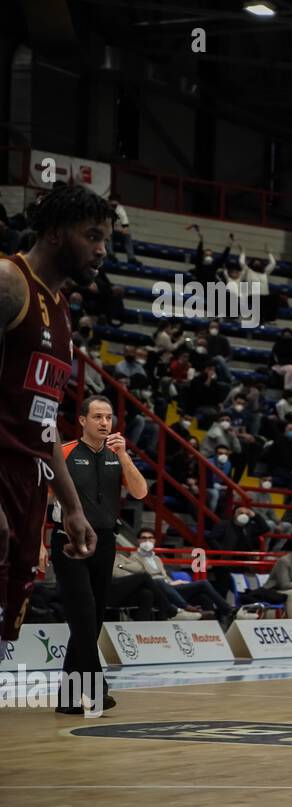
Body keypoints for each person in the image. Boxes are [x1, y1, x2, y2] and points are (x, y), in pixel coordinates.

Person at [0, 186, 107, 726]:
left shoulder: (62, 312)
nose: (101, 249)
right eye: (92, 236)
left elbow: (44, 423)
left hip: (30, 491)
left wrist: (72, 506)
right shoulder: (7, 282)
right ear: (54, 232)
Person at [52, 396, 149, 713]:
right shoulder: (64, 452)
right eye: (97, 417)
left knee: (90, 620)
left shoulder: (115, 454)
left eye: (108, 417)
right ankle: (96, 686)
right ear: (82, 420)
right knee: (83, 610)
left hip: (105, 540)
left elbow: (140, 492)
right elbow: (42, 498)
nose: (104, 423)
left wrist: (124, 457)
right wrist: (39, 544)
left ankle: (68, 698)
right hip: (70, 538)